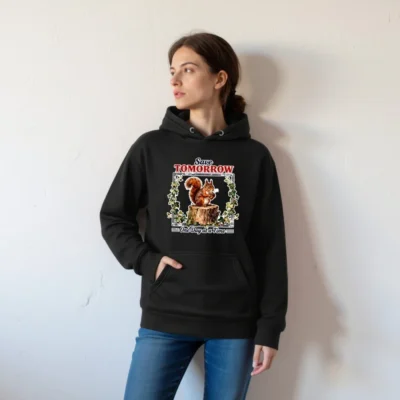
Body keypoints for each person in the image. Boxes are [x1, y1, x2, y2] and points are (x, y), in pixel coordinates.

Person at [99, 31, 288, 400]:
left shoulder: (254, 157)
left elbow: (270, 246)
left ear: (219, 79)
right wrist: (146, 261)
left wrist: (270, 327)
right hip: (166, 312)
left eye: (187, 70)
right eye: (172, 71)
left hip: (234, 320)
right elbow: (114, 216)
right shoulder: (152, 147)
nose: (175, 81)